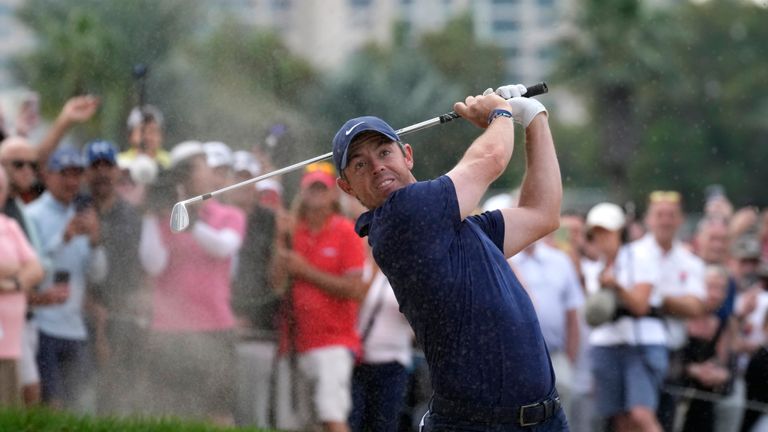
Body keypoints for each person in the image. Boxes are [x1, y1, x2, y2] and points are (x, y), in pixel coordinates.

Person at [333, 84, 565, 430]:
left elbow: (542, 213)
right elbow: (491, 159)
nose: (377, 167)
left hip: (543, 418)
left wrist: (534, 118)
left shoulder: (457, 228)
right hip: (477, 424)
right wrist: (500, 112)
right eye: (360, 164)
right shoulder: (401, 216)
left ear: (407, 155)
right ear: (347, 187)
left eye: (384, 153)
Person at [138, 141, 245, 423]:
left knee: (218, 413)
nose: (207, 173)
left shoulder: (229, 215)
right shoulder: (164, 216)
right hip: (169, 329)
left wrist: (190, 220)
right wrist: (151, 213)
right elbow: (154, 263)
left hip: (215, 326)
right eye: (199, 167)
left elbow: (223, 247)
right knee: (171, 413)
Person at [270, 163, 366, 432]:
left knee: (331, 418)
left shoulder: (345, 231)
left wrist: (305, 271)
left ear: (333, 194)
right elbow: (277, 283)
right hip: (293, 342)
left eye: (321, 189)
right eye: (311, 188)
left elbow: (355, 290)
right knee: (294, 424)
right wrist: (280, 241)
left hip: (333, 342)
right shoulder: (292, 231)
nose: (316, 194)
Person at [26, 147, 107, 409]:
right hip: (43, 326)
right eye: (64, 174)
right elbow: (32, 268)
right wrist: (64, 237)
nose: (72, 182)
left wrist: (95, 241)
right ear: (48, 176)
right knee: (53, 406)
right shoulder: (32, 215)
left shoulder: (85, 215)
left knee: (83, 406)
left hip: (75, 328)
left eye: (77, 174)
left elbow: (98, 275)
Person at [584, 202, 666, 432]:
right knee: (620, 419)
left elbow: (640, 306)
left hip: (642, 344)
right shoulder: (593, 267)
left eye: (607, 233)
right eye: (597, 234)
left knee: (641, 414)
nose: (602, 239)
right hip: (607, 345)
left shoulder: (641, 256)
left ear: (621, 232)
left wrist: (617, 287)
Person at [633, 191, 707, 432]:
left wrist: (656, 298)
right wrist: (675, 301)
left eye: (671, 215)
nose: (665, 221)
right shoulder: (632, 254)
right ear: (648, 219)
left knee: (667, 417)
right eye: (660, 215)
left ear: (681, 220)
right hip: (636, 351)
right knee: (635, 418)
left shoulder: (690, 261)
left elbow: (696, 307)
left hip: (674, 352)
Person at [80, 140, 144, 415]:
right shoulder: (76, 207)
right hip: (78, 314)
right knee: (79, 395)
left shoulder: (130, 215)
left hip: (118, 315)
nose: (102, 173)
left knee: (115, 397)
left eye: (108, 166)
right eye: (96, 166)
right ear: (86, 172)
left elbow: (128, 266)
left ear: (118, 172)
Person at [510, 240, 584, 418]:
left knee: (561, 416)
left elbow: (572, 315)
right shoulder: (502, 258)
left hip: (555, 356)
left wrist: (568, 358)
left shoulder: (560, 261)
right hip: (514, 361)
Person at [0, 165, 44, 407]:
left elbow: (35, 269)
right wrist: (14, 270)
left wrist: (13, 282)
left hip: (10, 341)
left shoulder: (9, 227)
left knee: (10, 409)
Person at [678, 264, 734, 432]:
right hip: (676, 397)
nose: (715, 294)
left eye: (721, 289)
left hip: (702, 405)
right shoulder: (680, 317)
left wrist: (720, 374)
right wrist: (690, 369)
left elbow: (726, 364)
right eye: (711, 287)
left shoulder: (722, 325)